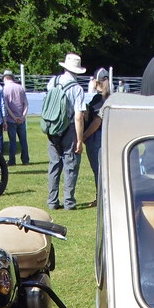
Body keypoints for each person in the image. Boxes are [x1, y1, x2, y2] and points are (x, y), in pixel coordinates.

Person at [45, 52, 87, 211]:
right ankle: (69, 201)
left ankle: (52, 201)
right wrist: (80, 139)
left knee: (54, 164)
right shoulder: (77, 89)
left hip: (52, 127)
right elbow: (78, 117)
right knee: (71, 165)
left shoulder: (52, 82)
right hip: (68, 128)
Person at [83, 68, 110, 194]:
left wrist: (85, 135)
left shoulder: (98, 99)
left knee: (97, 169)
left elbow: (97, 121)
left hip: (95, 138)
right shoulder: (109, 98)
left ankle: (100, 196)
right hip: (105, 136)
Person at [2, 69, 29, 165]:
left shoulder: (4, 89)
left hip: (11, 119)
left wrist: (13, 117)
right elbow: (26, 103)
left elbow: (6, 106)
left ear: (5, 78)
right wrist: (23, 116)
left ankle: (12, 160)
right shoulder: (20, 87)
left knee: (12, 141)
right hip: (21, 119)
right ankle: (25, 160)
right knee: (23, 141)